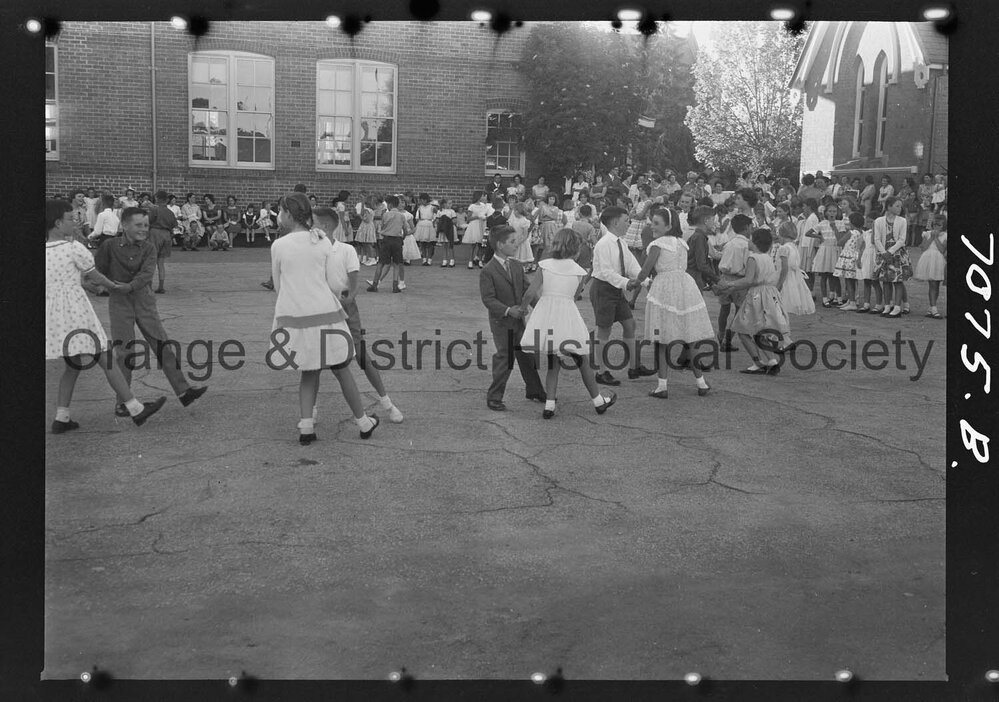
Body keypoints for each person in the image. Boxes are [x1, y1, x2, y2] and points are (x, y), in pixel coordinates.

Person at [46, 199, 166, 433]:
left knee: (73, 365)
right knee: (106, 359)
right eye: (70, 219)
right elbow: (95, 275)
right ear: (58, 224)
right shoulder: (73, 248)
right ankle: (134, 408)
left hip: (55, 317)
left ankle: (61, 416)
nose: (74, 223)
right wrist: (113, 286)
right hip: (77, 313)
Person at [267, 194, 379, 444]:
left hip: (294, 316)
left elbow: (277, 285)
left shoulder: (279, 246)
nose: (278, 215)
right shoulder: (322, 242)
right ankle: (363, 422)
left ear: (287, 213)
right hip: (326, 314)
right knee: (341, 368)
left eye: (280, 210)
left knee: (309, 371)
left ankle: (306, 427)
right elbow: (333, 282)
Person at [94, 207, 208, 417]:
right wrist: (101, 287)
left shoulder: (149, 247)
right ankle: (123, 403)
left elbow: (147, 274)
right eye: (138, 225)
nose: (143, 229)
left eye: (146, 225)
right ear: (124, 225)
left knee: (162, 344)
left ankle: (184, 391)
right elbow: (96, 271)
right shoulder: (109, 246)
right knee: (124, 351)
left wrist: (125, 287)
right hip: (119, 304)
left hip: (143, 300)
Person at [310, 207, 404, 424]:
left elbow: (353, 286)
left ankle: (387, 402)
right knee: (314, 361)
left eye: (312, 223)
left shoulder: (345, 250)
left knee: (361, 356)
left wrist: (347, 300)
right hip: (318, 308)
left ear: (324, 227)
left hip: (343, 308)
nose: (309, 227)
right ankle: (311, 410)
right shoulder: (311, 251)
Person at [520, 229, 616, 418]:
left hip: (547, 316)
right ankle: (598, 401)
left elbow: (530, 293)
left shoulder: (545, 265)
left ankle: (549, 405)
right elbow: (575, 295)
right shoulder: (579, 272)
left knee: (552, 362)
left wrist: (524, 308)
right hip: (567, 317)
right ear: (575, 249)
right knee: (582, 360)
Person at [633, 209, 714, 398]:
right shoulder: (681, 243)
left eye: (656, 223)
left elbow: (645, 271)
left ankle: (662, 386)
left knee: (662, 340)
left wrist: (635, 282)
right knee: (690, 337)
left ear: (668, 226)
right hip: (685, 288)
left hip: (665, 290)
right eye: (652, 222)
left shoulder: (657, 244)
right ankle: (701, 383)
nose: (652, 226)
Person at [479, 224, 547, 411]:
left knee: (527, 355)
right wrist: (509, 310)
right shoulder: (488, 270)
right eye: (512, 242)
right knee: (505, 358)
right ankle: (494, 397)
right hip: (502, 322)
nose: (516, 245)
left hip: (519, 321)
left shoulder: (517, 266)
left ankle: (534, 390)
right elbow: (489, 299)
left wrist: (541, 308)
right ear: (500, 245)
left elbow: (528, 290)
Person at [588, 206, 656, 385]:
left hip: (616, 289)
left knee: (629, 324)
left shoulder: (621, 242)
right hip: (603, 289)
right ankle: (601, 372)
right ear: (615, 222)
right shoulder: (604, 244)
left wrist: (647, 282)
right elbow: (606, 272)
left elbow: (632, 265)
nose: (629, 223)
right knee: (604, 329)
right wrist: (627, 283)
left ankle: (634, 367)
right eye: (626, 220)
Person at [715, 228, 790, 375]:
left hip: (757, 295)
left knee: (742, 329)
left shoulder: (753, 258)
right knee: (759, 329)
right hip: (769, 293)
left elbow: (748, 280)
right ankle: (772, 361)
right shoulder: (767, 257)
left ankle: (758, 362)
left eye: (750, 239)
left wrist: (729, 285)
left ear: (754, 243)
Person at [714, 213, 754, 352]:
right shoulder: (747, 245)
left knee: (724, 309)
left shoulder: (729, 243)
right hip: (739, 280)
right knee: (739, 311)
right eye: (751, 227)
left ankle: (720, 335)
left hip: (724, 277)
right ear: (747, 227)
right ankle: (727, 339)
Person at [875, 196, 911, 318]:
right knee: (886, 280)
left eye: (900, 206)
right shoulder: (879, 221)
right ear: (889, 206)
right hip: (883, 252)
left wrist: (890, 252)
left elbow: (902, 239)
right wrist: (883, 252)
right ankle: (887, 306)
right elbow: (876, 239)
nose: (899, 208)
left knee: (897, 280)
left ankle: (897, 307)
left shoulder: (902, 221)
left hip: (896, 253)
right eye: (897, 206)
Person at [774, 221, 815, 319]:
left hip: (785, 279)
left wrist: (779, 285)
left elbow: (784, 268)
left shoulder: (783, 248)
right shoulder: (794, 247)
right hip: (794, 279)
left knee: (780, 306)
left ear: (782, 234)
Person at [914, 212, 947, 319]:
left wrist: (936, 238)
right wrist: (931, 237)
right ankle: (933, 308)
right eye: (935, 224)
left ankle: (931, 307)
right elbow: (923, 247)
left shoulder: (945, 236)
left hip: (938, 260)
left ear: (943, 226)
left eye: (939, 225)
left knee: (936, 285)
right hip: (928, 259)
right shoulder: (927, 234)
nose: (936, 227)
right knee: (932, 284)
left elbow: (942, 250)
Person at [833, 212, 865, 311]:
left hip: (848, 257)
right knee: (851, 280)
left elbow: (839, 242)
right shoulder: (861, 232)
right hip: (855, 256)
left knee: (849, 281)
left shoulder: (851, 232)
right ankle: (851, 300)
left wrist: (835, 230)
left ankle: (852, 302)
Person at [147, 190, 178, 292]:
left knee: (151, 261)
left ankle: (149, 286)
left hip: (155, 234)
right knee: (161, 262)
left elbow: (149, 221)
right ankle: (161, 286)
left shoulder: (155, 210)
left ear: (157, 199)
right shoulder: (170, 212)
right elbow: (174, 225)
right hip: (167, 235)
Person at [686, 206, 720, 291]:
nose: (715, 222)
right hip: (693, 277)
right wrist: (717, 279)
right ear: (706, 221)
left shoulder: (698, 236)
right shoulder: (699, 238)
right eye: (713, 219)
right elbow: (701, 265)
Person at [463, 190, 492, 269]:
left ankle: (479, 260)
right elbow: (468, 219)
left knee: (481, 245)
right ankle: (470, 261)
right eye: (482, 196)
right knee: (473, 244)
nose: (484, 197)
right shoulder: (472, 206)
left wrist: (484, 217)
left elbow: (485, 213)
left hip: (481, 225)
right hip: (474, 225)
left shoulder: (483, 205)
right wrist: (477, 216)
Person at [354, 195, 379, 266]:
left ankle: (372, 258)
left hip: (367, 227)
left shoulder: (367, 210)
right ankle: (369, 258)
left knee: (368, 244)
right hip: (368, 227)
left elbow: (366, 219)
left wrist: (360, 216)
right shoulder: (370, 210)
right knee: (366, 244)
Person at [413, 193, 437, 265]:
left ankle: (429, 259)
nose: (421, 201)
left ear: (426, 200)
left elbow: (436, 216)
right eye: (421, 200)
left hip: (429, 224)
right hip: (421, 224)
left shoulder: (432, 207)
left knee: (430, 243)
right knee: (422, 243)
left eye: (423, 200)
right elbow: (417, 217)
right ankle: (424, 259)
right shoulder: (420, 208)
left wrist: (433, 222)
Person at [435, 198, 458, 268]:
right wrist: (441, 221)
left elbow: (454, 221)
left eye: (451, 203)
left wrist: (447, 221)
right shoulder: (440, 211)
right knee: (445, 245)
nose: (451, 205)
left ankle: (452, 260)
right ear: (444, 204)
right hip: (443, 230)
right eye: (449, 203)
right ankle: (444, 260)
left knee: (450, 245)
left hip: (450, 229)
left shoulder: (452, 211)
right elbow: (437, 220)